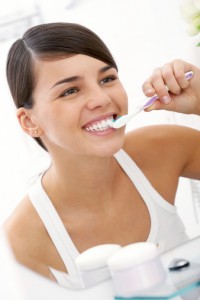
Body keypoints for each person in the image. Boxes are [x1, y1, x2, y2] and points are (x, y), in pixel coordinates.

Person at [3, 22, 200, 289]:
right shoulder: (20, 243)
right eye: (70, 91)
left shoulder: (162, 148)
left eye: (107, 79)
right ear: (29, 122)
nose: (101, 99)